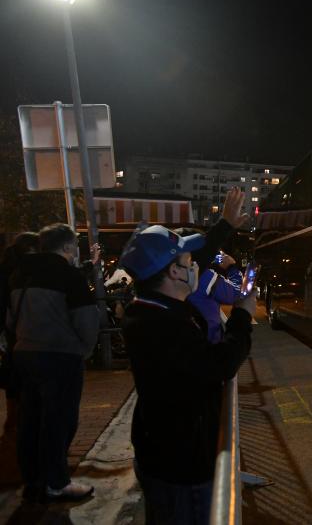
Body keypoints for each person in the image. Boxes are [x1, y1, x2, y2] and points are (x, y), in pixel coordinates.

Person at [120, 189, 253, 524]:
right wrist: (241, 317)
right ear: (175, 274)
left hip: (166, 453)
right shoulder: (162, 324)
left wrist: (225, 225)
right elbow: (220, 363)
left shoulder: (153, 307)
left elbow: (200, 255)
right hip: (182, 467)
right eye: (187, 263)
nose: (195, 266)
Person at [6, 224, 99, 502]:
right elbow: (86, 321)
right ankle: (57, 482)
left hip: (24, 355)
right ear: (69, 247)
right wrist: (82, 350)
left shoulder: (20, 275)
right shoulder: (69, 276)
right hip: (60, 357)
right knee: (58, 421)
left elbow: (11, 320)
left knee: (30, 421)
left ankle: (33, 480)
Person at [0, 232, 39, 434]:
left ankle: (12, 420)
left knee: (13, 376)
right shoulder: (24, 274)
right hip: (23, 331)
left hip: (10, 333)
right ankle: (21, 422)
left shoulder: (6, 271)